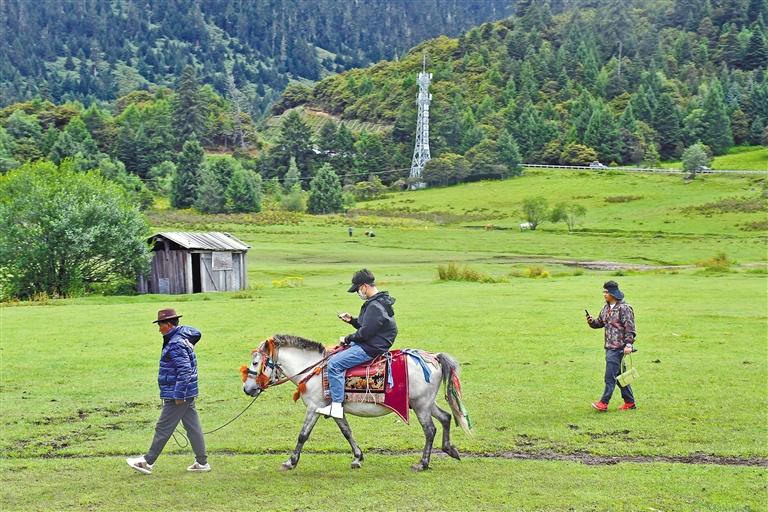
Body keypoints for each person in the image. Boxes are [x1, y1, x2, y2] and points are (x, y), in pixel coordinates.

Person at [126, 308, 210, 474]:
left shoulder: (176, 344)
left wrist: (179, 395)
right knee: (193, 428)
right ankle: (202, 463)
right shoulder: (181, 337)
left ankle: (147, 462)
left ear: (169, 325)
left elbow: (185, 370)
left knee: (163, 427)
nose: (159, 329)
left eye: (161, 325)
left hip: (178, 394)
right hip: (187, 392)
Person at [316, 269, 397, 419]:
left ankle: (336, 406)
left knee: (334, 364)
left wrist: (347, 339)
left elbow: (365, 333)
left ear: (364, 286)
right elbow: (369, 326)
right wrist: (352, 320)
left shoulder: (374, 306)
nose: (358, 293)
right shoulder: (380, 301)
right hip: (374, 343)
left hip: (371, 347)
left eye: (358, 289)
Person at [587, 281, 637, 412]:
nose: (604, 294)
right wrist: (591, 322)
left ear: (613, 293)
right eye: (604, 292)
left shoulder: (624, 308)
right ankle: (630, 402)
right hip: (609, 346)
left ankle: (603, 403)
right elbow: (600, 323)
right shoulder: (606, 307)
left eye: (606, 292)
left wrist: (629, 344)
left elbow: (630, 328)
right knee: (620, 376)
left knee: (610, 377)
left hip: (619, 348)